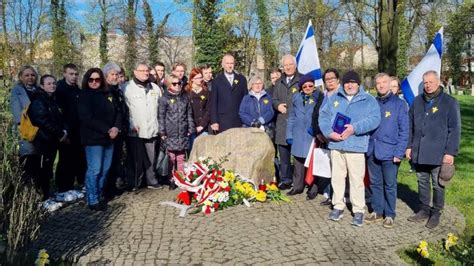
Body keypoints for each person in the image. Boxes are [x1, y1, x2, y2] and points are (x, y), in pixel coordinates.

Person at [319, 70, 381, 227]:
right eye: (347, 82)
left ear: (358, 84)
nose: (350, 85)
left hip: (356, 146)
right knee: (337, 178)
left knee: (356, 180)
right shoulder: (334, 98)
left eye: (353, 82)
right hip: (336, 145)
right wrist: (329, 133)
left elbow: (374, 119)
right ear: (343, 83)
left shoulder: (368, 100)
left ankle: (358, 210)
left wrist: (355, 128)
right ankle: (338, 206)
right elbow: (323, 116)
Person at [406, 70, 461, 229]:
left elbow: (455, 129)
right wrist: (409, 146)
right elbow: (411, 126)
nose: (428, 85)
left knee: (438, 184)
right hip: (419, 151)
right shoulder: (417, 102)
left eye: (431, 82)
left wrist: (450, 152)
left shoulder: (449, 102)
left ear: (438, 82)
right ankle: (423, 209)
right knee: (422, 181)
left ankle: (436, 211)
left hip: (439, 152)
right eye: (426, 82)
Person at [365, 73, 409, 229]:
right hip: (372, 150)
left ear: (390, 84)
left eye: (384, 82)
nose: (381, 85)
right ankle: (377, 210)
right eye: (378, 83)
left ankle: (390, 214)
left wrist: (399, 152)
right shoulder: (372, 103)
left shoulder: (399, 104)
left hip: (390, 152)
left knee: (390, 185)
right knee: (375, 183)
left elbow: (404, 130)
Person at [77, 68, 122, 211]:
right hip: (93, 139)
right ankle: (92, 199)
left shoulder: (107, 93)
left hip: (109, 138)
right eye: (91, 79)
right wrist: (107, 129)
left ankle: (99, 195)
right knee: (95, 169)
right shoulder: (84, 96)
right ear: (87, 80)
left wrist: (116, 127)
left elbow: (118, 112)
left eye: (97, 79)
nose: (94, 82)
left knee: (105, 169)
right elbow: (86, 118)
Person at [28, 75, 68, 208]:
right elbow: (43, 120)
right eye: (49, 83)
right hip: (43, 141)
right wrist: (59, 133)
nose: (52, 85)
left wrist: (63, 132)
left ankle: (47, 195)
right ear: (42, 86)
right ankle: (43, 199)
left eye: (54, 83)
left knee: (48, 168)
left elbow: (58, 118)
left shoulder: (52, 99)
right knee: (42, 170)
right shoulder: (39, 100)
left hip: (52, 140)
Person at [123, 62, 162, 190]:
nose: (145, 73)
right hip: (135, 129)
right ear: (135, 72)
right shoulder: (126, 88)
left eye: (147, 71)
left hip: (152, 128)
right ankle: (135, 183)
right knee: (135, 159)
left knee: (151, 157)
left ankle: (151, 181)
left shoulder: (155, 88)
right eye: (142, 70)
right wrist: (130, 125)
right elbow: (124, 110)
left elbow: (160, 109)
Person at [286, 74, 323, 196]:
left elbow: (322, 116)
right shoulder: (296, 97)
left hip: (311, 136)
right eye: (305, 86)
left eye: (310, 85)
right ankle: (297, 186)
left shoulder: (319, 97)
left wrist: (317, 130)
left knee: (312, 162)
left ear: (314, 86)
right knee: (298, 162)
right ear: (301, 87)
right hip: (298, 134)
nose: (308, 87)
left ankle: (313, 188)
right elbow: (291, 116)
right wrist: (289, 134)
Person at [307, 68, 340, 203]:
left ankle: (338, 196)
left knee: (338, 168)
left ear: (338, 80)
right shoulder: (323, 95)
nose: (330, 81)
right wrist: (318, 132)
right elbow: (315, 114)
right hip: (323, 137)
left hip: (337, 138)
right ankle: (329, 194)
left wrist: (332, 134)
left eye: (332, 79)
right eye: (327, 79)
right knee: (327, 167)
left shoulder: (342, 95)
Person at [55, 63, 86, 202]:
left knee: (78, 159)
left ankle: (75, 186)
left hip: (78, 131)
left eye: (75, 74)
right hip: (66, 131)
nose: (74, 77)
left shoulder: (77, 89)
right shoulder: (59, 89)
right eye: (71, 74)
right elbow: (59, 113)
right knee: (65, 161)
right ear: (64, 74)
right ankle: (63, 189)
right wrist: (63, 131)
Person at [272, 55, 301, 190]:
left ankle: (299, 181)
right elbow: (274, 99)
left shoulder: (301, 80)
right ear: (282, 67)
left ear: (295, 65)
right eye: (286, 65)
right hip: (282, 123)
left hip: (297, 124)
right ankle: (286, 179)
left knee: (298, 156)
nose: (288, 67)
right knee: (284, 155)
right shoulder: (279, 82)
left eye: (290, 64)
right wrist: (278, 106)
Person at [159, 74, 195, 177]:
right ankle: (171, 178)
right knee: (171, 157)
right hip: (170, 133)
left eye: (179, 83)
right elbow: (161, 116)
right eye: (174, 84)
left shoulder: (185, 98)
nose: (178, 85)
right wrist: (162, 132)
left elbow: (189, 114)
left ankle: (180, 177)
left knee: (181, 157)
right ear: (169, 85)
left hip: (183, 132)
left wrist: (190, 128)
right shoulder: (164, 99)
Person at [103, 62, 129, 199]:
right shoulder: (104, 91)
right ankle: (105, 189)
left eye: (117, 75)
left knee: (116, 161)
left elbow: (121, 111)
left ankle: (112, 187)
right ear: (106, 75)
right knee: (107, 163)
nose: (115, 77)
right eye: (113, 74)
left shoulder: (117, 90)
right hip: (107, 133)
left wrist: (121, 127)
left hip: (118, 132)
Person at [10, 66, 40, 182]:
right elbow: (17, 112)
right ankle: (28, 189)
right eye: (27, 75)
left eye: (32, 75)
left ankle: (39, 189)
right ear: (21, 77)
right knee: (28, 158)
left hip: (40, 129)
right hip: (25, 128)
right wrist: (23, 127)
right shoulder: (17, 90)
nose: (30, 77)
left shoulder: (37, 90)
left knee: (38, 159)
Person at [210, 54, 248, 133]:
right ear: (222, 65)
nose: (230, 66)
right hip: (222, 121)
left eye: (232, 63)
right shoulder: (217, 81)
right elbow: (213, 103)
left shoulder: (241, 79)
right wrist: (214, 121)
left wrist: (246, 118)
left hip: (238, 120)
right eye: (227, 63)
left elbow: (246, 100)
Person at [185, 68, 210, 151]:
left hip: (203, 127)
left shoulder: (206, 92)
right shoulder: (186, 92)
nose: (200, 80)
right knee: (192, 152)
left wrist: (202, 125)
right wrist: (191, 127)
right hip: (191, 128)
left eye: (201, 77)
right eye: (197, 78)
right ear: (192, 79)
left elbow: (208, 110)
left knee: (203, 153)